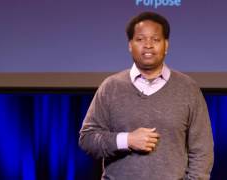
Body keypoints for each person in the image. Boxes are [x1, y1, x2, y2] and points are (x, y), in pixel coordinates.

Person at [79, 11, 214, 180]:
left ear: (166, 45)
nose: (148, 45)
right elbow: (88, 139)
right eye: (140, 39)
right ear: (130, 45)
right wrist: (127, 140)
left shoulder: (188, 88)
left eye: (155, 39)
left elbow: (202, 149)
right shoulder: (111, 87)